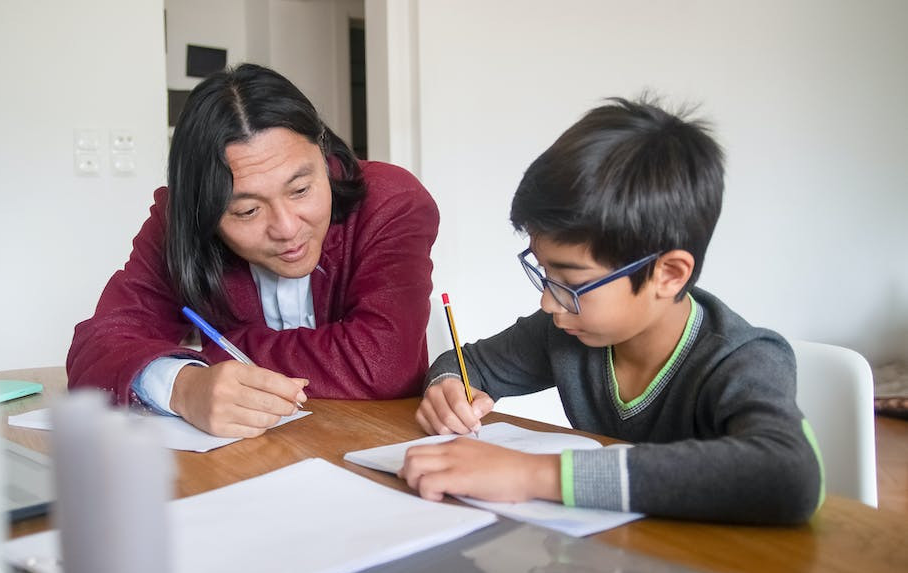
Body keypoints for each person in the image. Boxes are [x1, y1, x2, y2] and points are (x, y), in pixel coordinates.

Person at [401, 97, 822, 524]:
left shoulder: (742, 359)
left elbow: (790, 474)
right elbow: (466, 362)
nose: (548, 302)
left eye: (573, 282)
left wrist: (531, 474)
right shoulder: (564, 332)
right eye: (543, 272)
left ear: (669, 274)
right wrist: (448, 386)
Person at [67, 64, 438, 437]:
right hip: (243, 461)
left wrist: (217, 348)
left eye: (300, 190)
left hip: (376, 444)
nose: (287, 228)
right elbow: (96, 346)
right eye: (247, 211)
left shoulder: (392, 201)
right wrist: (183, 387)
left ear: (323, 153)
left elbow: (384, 364)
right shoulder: (180, 221)